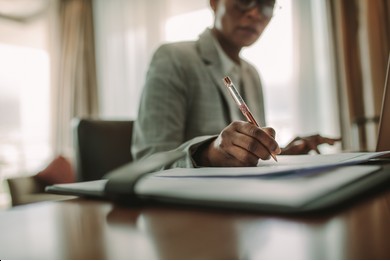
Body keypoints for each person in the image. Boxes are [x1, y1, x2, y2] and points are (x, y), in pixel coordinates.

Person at [132, 0, 340, 168]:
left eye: (266, 4)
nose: (255, 13)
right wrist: (208, 154)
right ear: (214, 2)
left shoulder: (252, 75)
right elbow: (149, 161)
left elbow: (244, 155)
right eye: (244, 1)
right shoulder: (173, 59)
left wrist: (282, 152)